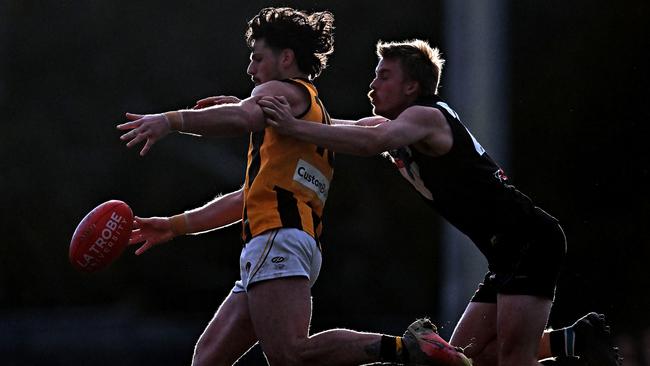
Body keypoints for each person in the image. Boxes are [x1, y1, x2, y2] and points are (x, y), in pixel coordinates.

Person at [117, 9, 470, 366]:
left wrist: (170, 120)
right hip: (287, 238)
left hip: (276, 238)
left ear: (286, 58)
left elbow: (242, 118)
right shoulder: (314, 115)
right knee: (208, 359)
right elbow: (247, 196)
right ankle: (411, 348)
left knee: (290, 354)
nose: (250, 70)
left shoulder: (283, 92)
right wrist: (174, 225)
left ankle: (409, 348)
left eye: (257, 58)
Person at [258, 39, 621, 366]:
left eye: (384, 76)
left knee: (514, 357)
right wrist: (255, 113)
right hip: (505, 251)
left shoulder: (425, 116)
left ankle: (575, 340)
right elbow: (334, 127)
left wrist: (291, 126)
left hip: (530, 240)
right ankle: (574, 339)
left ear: (412, 86)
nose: (372, 85)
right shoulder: (397, 124)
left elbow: (368, 142)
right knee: (455, 360)